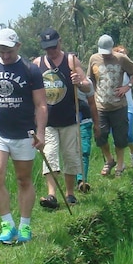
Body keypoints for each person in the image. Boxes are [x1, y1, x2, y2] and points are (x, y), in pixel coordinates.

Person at [0, 28, 47, 245]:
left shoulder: (30, 70)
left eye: (8, 50)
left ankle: (25, 226)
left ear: (18, 46)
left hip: (24, 133)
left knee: (23, 179)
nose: (5, 55)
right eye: (0, 50)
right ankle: (7, 225)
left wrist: (40, 132)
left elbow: (41, 104)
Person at [32, 28, 93, 209]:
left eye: (53, 46)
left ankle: (70, 193)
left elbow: (87, 87)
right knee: (49, 154)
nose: (51, 51)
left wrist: (79, 82)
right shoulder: (37, 63)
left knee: (70, 155)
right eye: (47, 48)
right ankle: (51, 195)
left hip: (69, 118)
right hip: (48, 121)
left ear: (60, 41)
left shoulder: (71, 61)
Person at [86, 35, 133, 177]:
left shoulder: (121, 58)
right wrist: (91, 96)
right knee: (100, 135)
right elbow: (91, 79)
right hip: (100, 107)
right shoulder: (94, 59)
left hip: (119, 106)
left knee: (120, 137)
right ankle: (109, 160)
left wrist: (127, 86)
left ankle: (120, 165)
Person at [113, 45, 133, 167]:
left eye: (125, 53)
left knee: (128, 134)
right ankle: (120, 162)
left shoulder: (128, 69)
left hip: (128, 105)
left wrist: (128, 85)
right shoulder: (112, 70)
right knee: (118, 135)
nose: (123, 55)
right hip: (115, 107)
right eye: (120, 53)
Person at [75, 88, 98, 192]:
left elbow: (92, 103)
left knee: (84, 151)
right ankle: (72, 183)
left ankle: (81, 180)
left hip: (84, 120)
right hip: (66, 122)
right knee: (71, 153)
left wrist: (96, 124)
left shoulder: (84, 82)